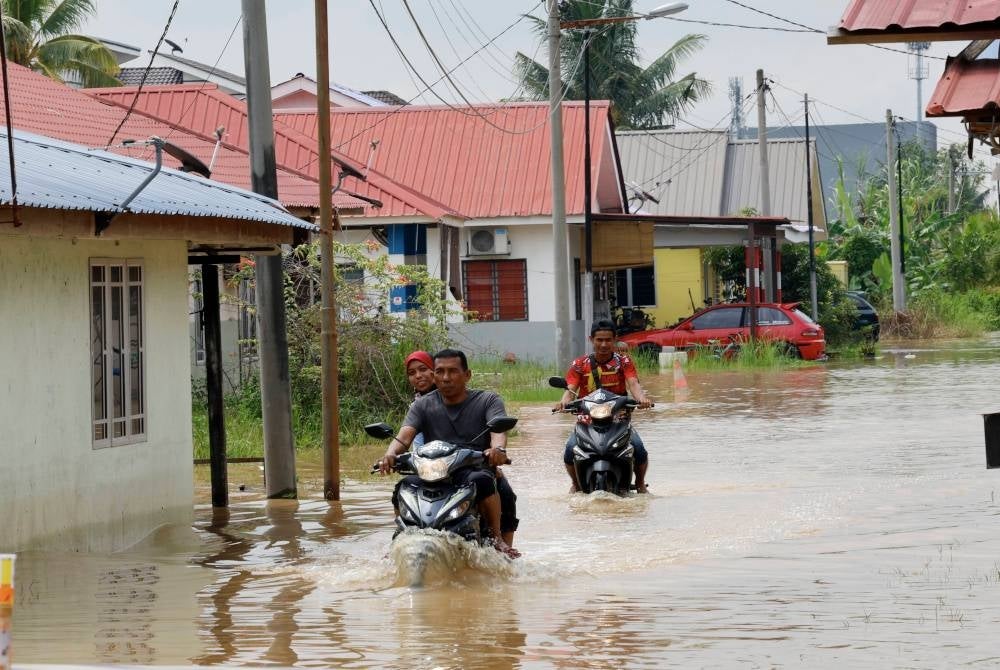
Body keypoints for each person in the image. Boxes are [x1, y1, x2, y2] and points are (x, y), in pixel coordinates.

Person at [380, 348, 520, 557]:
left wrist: (497, 450)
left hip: (472, 469)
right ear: (434, 375)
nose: (446, 378)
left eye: (453, 371)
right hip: (433, 472)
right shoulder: (422, 405)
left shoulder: (488, 400)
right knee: (404, 487)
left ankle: (497, 537)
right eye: (440, 372)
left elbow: (498, 432)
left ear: (467, 375)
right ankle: (401, 538)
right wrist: (390, 454)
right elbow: (404, 437)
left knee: (496, 487)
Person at [553, 319, 654, 493]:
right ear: (591, 339)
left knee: (638, 448)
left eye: (608, 340)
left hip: (618, 418)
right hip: (587, 419)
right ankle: (576, 484)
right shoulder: (580, 364)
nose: (604, 344)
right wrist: (563, 402)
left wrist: (642, 399)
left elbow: (633, 384)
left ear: (615, 339)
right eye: (599, 340)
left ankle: (640, 484)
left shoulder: (624, 362)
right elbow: (570, 389)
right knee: (570, 449)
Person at [404, 350, 436, 447]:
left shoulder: (453, 398)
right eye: (412, 373)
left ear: (435, 370)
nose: (418, 376)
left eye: (423, 369)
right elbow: (418, 447)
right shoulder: (417, 406)